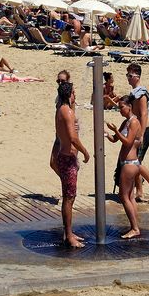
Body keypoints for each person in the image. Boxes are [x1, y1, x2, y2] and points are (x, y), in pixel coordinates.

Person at [55, 81, 91, 247]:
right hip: (67, 158)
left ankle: (68, 231)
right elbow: (72, 137)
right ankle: (69, 235)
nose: (75, 96)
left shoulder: (61, 110)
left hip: (64, 157)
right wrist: (84, 151)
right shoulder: (67, 112)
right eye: (74, 93)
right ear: (69, 94)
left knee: (69, 196)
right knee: (69, 198)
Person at [107, 95, 143, 239]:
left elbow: (127, 142)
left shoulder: (134, 122)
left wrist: (116, 131)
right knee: (130, 196)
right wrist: (107, 134)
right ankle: (135, 226)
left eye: (122, 107)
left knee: (123, 196)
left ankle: (134, 228)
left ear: (129, 106)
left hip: (130, 163)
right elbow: (115, 140)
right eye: (118, 107)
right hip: (126, 163)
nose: (120, 110)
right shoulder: (125, 122)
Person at [125, 64, 149, 202]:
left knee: (136, 162)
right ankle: (139, 192)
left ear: (137, 76)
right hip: (136, 131)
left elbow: (144, 115)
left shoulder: (142, 94)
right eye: (127, 75)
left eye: (130, 76)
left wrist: (141, 134)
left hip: (143, 131)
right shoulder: (134, 93)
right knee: (134, 161)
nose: (128, 78)